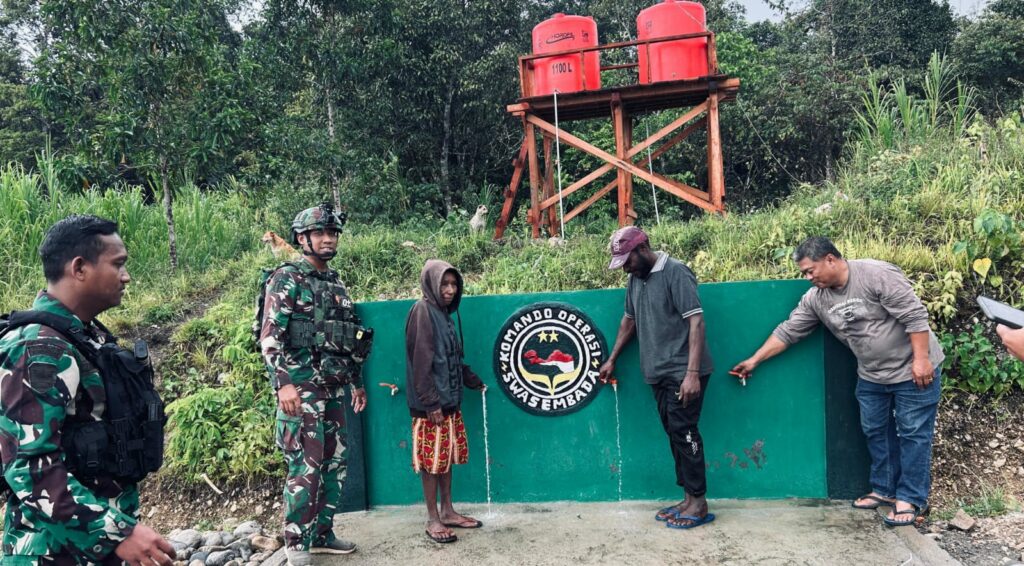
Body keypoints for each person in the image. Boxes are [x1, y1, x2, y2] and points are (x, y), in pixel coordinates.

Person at [732, 236, 944, 527]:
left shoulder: (875, 274)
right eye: (804, 273)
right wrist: (754, 360)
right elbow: (789, 331)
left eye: (810, 270)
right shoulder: (816, 299)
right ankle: (884, 489)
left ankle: (911, 498)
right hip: (872, 375)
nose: (808, 278)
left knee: (913, 433)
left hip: (913, 370)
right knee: (876, 431)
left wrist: (921, 360)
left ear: (830, 259)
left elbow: (915, 316)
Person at [0, 215, 175, 565]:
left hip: (89, 546)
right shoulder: (37, 348)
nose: (126, 276)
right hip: (52, 553)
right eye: (118, 264)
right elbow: (29, 467)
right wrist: (115, 533)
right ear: (79, 268)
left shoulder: (84, 338)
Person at [259, 203, 370, 565]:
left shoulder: (335, 282)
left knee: (335, 463)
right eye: (320, 233)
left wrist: (356, 383)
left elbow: (346, 339)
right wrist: (283, 384)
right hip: (301, 389)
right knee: (304, 467)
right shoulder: (287, 278)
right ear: (301, 238)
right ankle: (296, 544)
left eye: (333, 233)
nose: (328, 239)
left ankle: (322, 534)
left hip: (333, 387)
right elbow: (270, 338)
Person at [597, 226, 716, 530]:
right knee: (674, 433)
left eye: (628, 261)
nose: (625, 267)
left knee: (685, 432)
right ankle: (687, 498)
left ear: (643, 249)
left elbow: (696, 321)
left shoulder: (676, 272)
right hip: (657, 372)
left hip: (683, 371)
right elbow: (629, 321)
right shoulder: (635, 279)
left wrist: (692, 375)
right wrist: (612, 359)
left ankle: (699, 502)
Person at [405, 260, 486, 544]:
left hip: (448, 403)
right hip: (431, 408)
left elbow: (450, 358)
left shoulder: (444, 314)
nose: (450, 290)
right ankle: (433, 518)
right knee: (431, 462)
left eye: (453, 284)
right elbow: (420, 362)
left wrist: (470, 379)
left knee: (446, 458)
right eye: (444, 284)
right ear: (431, 284)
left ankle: (448, 511)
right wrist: (431, 403)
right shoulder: (423, 311)